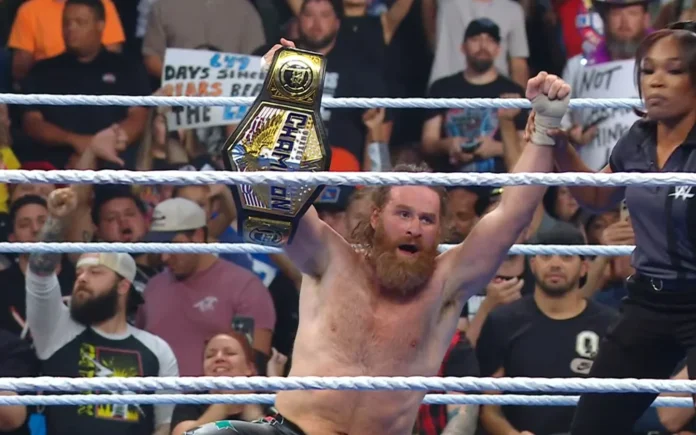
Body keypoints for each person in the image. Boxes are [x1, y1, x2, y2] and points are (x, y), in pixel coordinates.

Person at [184, 38, 572, 435]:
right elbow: (275, 195)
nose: (414, 227)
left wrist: (544, 129)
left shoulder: (446, 284)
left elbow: (511, 216)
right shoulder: (330, 258)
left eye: (427, 219)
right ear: (375, 217)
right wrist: (279, 94)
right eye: (403, 214)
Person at [545, 21, 696, 435]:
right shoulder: (639, 138)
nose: (656, 81)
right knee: (592, 425)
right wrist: (559, 144)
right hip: (650, 301)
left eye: (674, 70)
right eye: (648, 70)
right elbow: (599, 197)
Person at [25, 188, 179, 435]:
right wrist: (57, 221)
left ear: (123, 286)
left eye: (95, 272)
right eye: (79, 273)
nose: (82, 279)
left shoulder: (157, 350)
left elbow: (164, 425)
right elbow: (39, 274)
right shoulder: (57, 331)